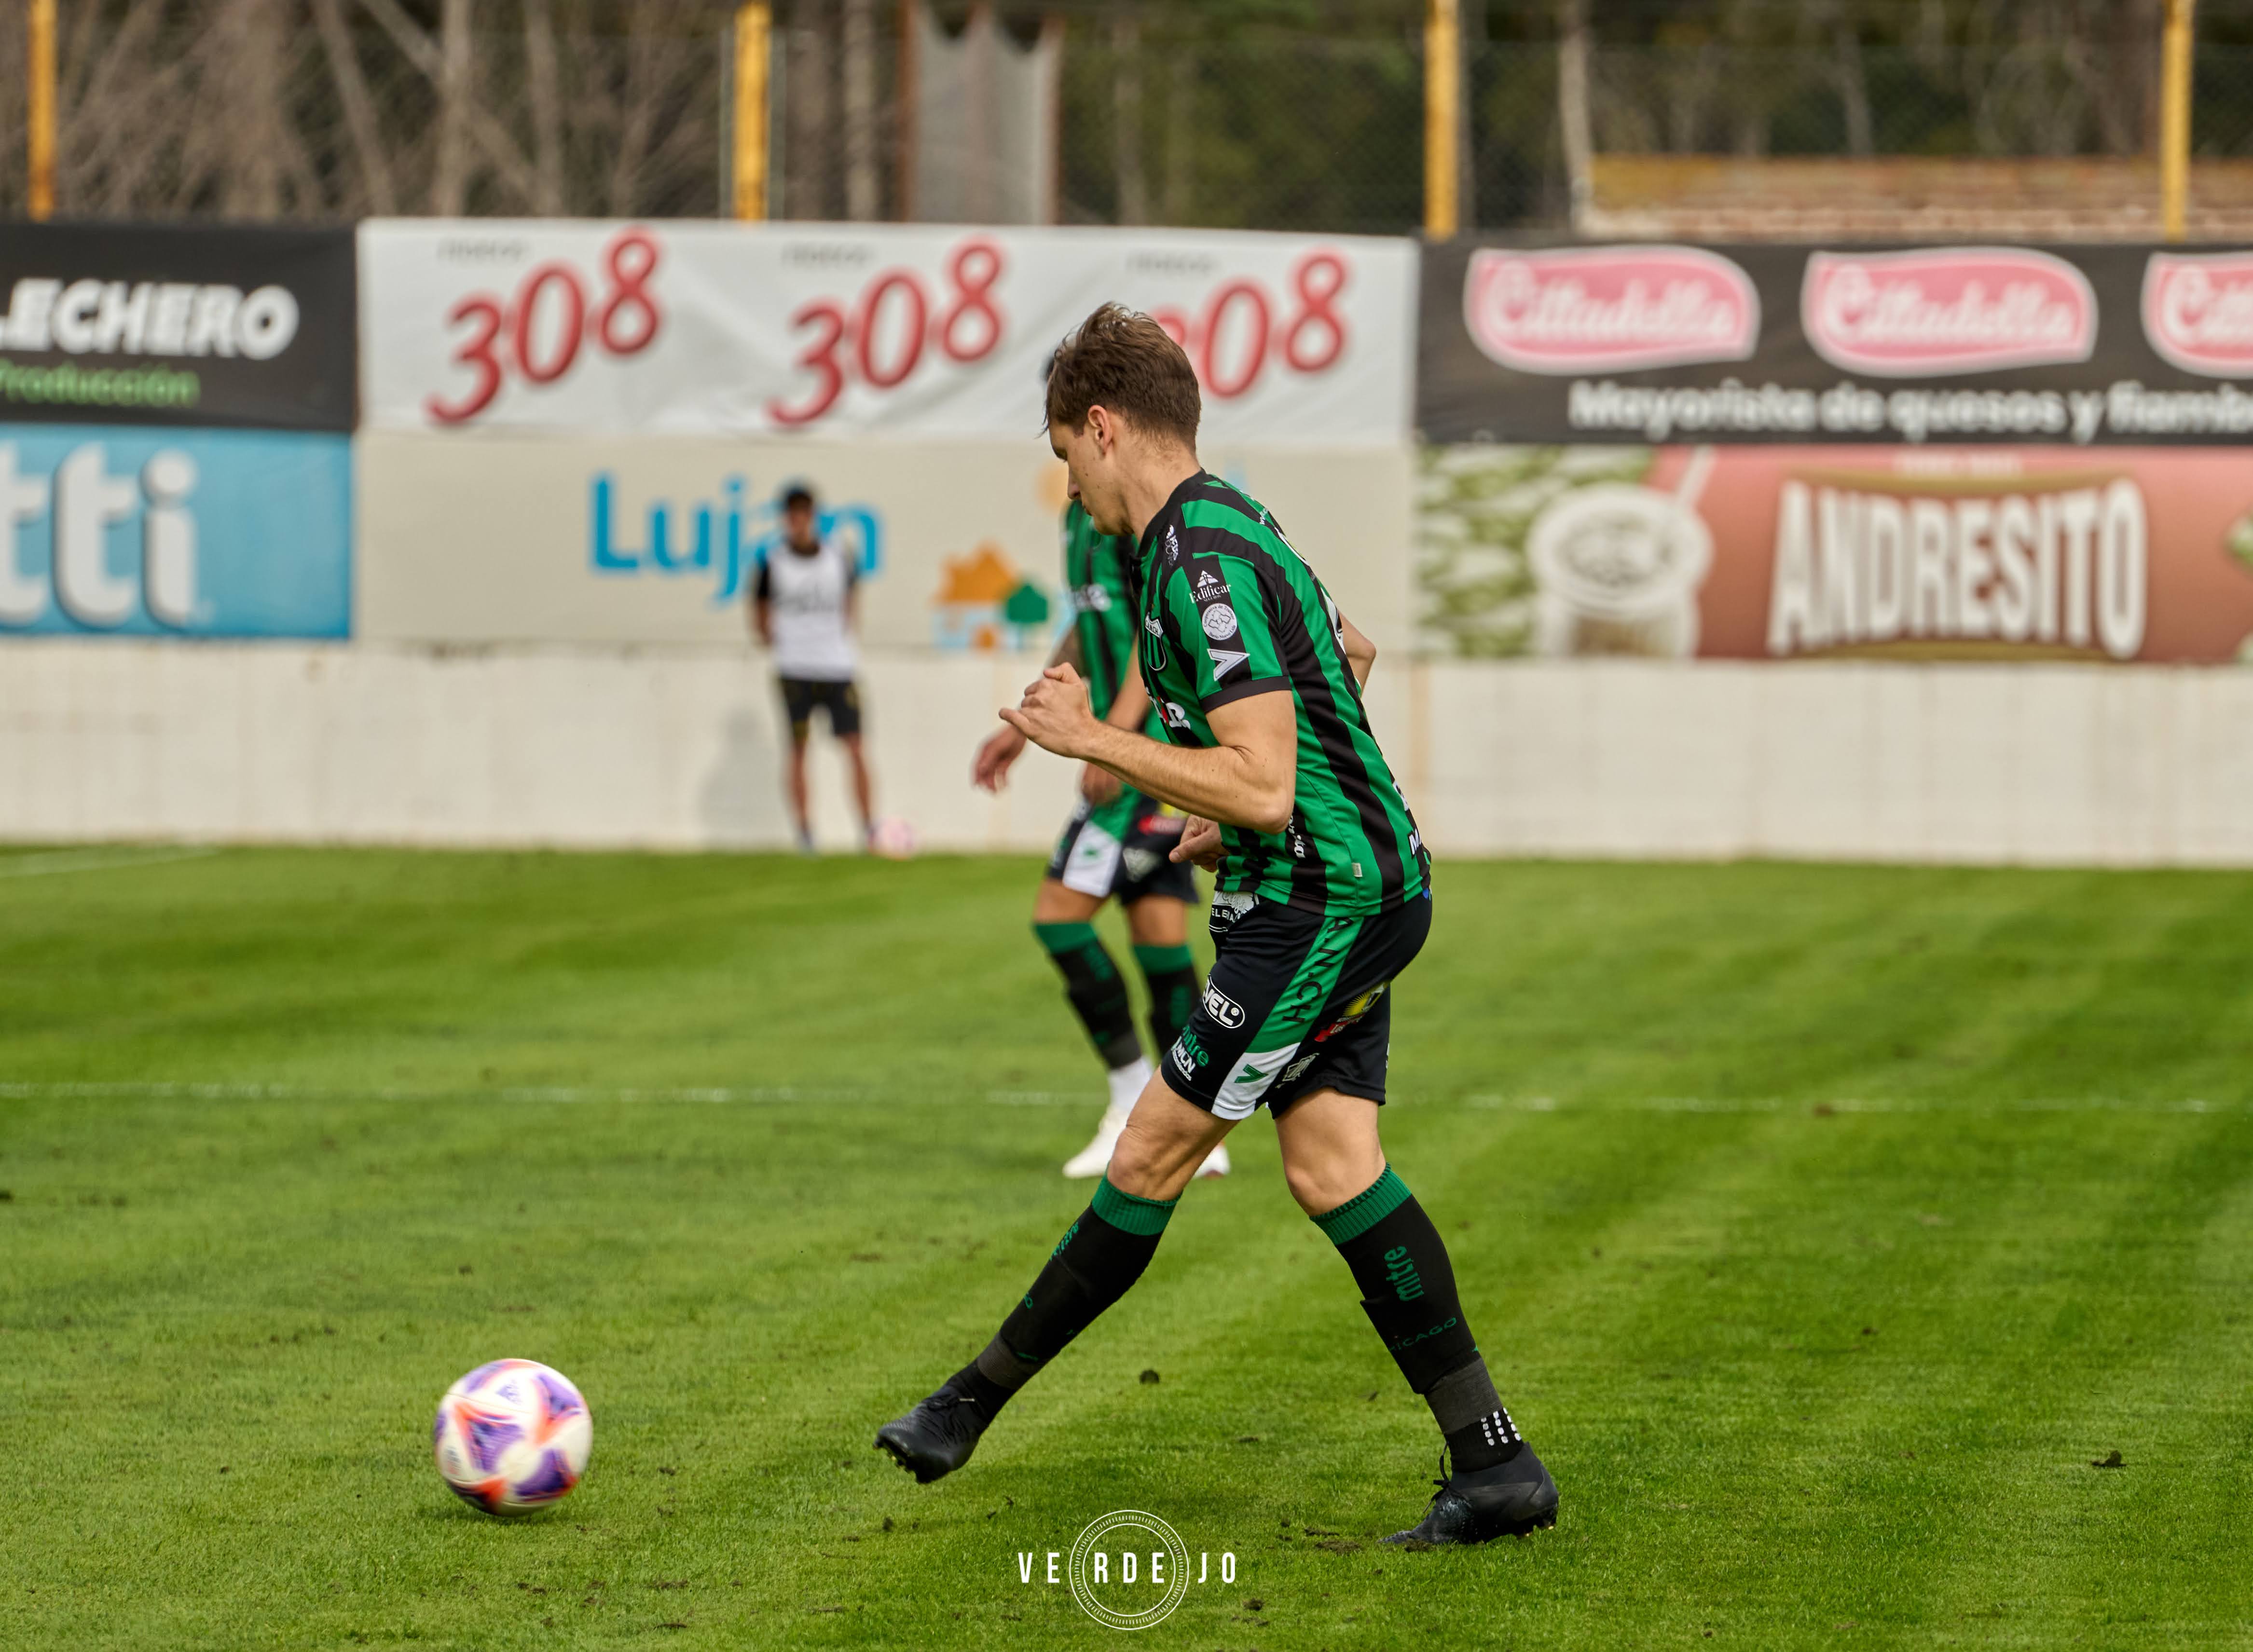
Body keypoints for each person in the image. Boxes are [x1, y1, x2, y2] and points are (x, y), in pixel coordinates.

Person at [874, 304, 1558, 1546]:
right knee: (1331, 1165)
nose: (1067, 482)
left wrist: (1103, 744)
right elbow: (1342, 650)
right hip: (1342, 878)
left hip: (1325, 899)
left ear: (1102, 425)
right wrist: (1227, 808)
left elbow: (1267, 780)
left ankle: (963, 1405)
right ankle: (1494, 1464)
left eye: (1064, 452)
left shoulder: (1196, 560)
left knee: (1149, 1152)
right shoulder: (1223, 523)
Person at [972, 501, 1230, 1182]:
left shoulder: (1125, 515)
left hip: (1140, 764)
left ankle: (1130, 1103)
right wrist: (1028, 722)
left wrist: (1108, 741)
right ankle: (1195, 1129)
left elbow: (1155, 636)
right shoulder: (1075, 519)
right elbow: (1088, 631)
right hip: (1131, 758)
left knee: (1057, 921)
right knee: (1159, 939)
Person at [752, 484, 874, 854]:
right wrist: (780, 641)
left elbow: (850, 603)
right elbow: (759, 612)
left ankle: (869, 829)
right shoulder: (773, 562)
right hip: (794, 667)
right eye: (793, 514)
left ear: (814, 516)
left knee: (855, 746)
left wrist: (839, 637)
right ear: (785, 518)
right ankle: (805, 833)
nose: (799, 521)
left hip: (837, 665)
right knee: (799, 749)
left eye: (805, 513)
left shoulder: (838, 556)